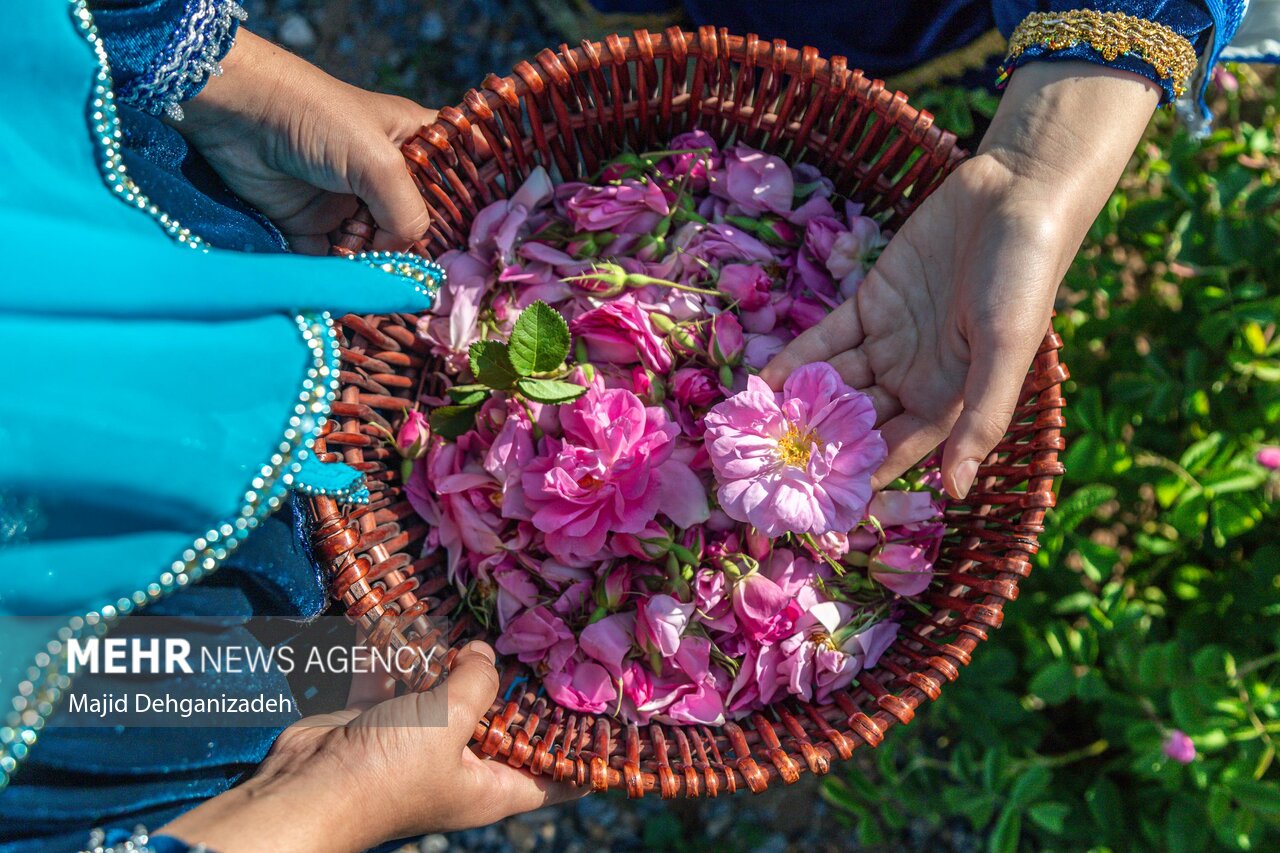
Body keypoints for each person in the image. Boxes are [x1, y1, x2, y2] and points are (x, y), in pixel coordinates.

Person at [2, 0, 1276, 850]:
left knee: (314, 653)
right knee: (292, 671)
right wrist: (309, 813)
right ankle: (332, 658)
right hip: (129, 682)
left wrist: (209, 69)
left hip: (145, 282)